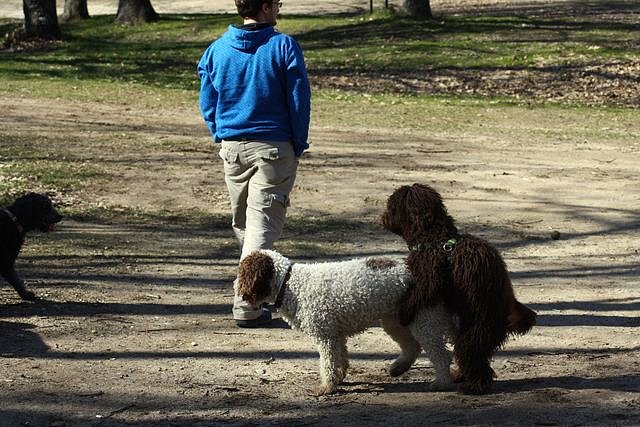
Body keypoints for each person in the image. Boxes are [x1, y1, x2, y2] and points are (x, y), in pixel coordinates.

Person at [197, 0, 311, 327]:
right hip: (274, 147)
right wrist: (298, 142)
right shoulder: (283, 46)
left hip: (232, 148)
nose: (279, 7)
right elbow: (298, 99)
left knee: (246, 224)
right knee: (258, 227)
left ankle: (256, 291)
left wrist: (220, 132)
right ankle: (247, 303)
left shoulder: (216, 50)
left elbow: (208, 100)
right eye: (276, 3)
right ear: (264, 7)